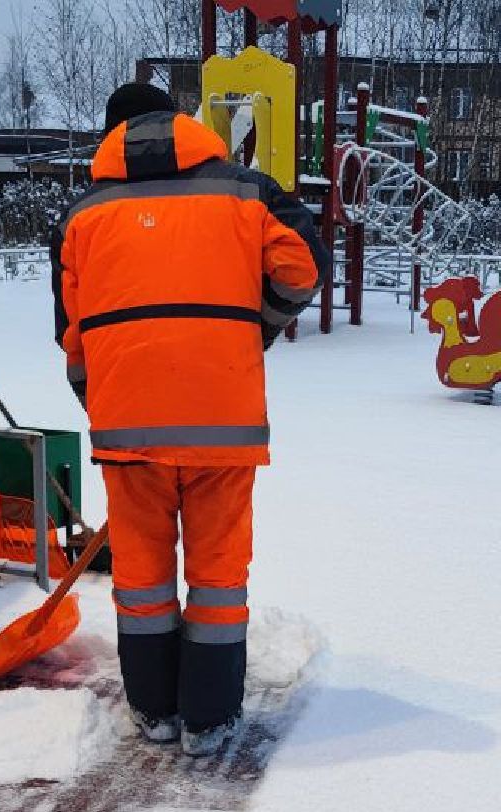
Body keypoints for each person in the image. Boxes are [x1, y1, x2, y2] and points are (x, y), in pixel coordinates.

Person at [53, 84, 329, 756]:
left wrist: (104, 401)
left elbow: (73, 333)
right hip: (222, 427)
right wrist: (254, 327)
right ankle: (208, 719)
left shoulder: (82, 215)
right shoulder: (247, 193)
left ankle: (154, 711)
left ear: (112, 136)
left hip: (129, 429)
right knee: (218, 577)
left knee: (142, 578)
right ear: (180, 122)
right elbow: (303, 268)